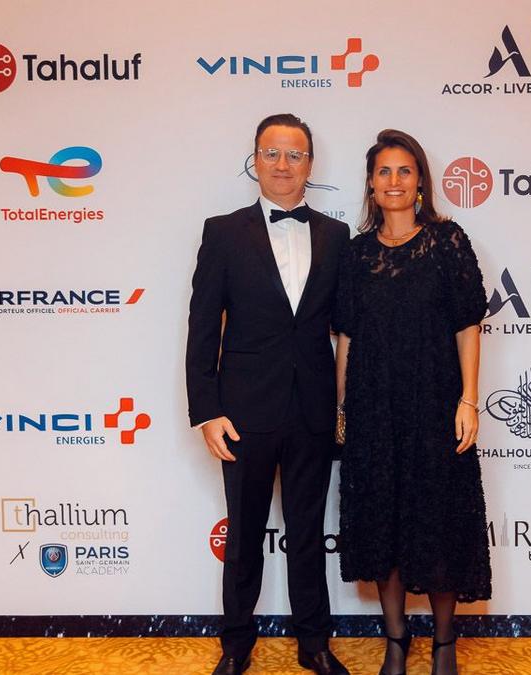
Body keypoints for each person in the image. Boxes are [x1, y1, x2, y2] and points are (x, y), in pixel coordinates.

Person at [186, 113, 351, 675]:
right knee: (243, 536)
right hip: (243, 412)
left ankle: (314, 643)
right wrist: (207, 411)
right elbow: (202, 327)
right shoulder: (222, 232)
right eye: (272, 153)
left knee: (308, 533)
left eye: (295, 154)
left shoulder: (336, 236)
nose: (283, 165)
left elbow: (346, 327)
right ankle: (236, 645)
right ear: (254, 159)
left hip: (313, 409)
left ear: (311, 163)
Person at [334, 129, 491, 675]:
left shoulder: (447, 242)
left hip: (435, 404)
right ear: (371, 184)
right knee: (384, 524)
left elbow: (468, 325)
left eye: (404, 170)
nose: (394, 181)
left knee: (439, 520)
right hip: (373, 407)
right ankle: (396, 641)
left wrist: (469, 400)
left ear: (419, 180)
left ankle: (444, 644)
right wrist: (342, 409)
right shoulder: (355, 254)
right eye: (384, 172)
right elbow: (346, 337)